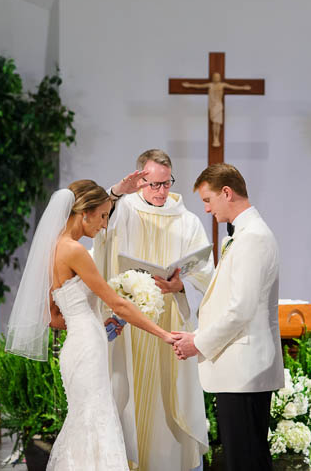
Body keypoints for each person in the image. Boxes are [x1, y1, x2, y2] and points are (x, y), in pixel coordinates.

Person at [5, 180, 175, 471]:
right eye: (103, 216)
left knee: (85, 420)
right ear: (84, 213)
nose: (105, 224)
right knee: (95, 420)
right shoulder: (74, 250)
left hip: (78, 346)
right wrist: (164, 334)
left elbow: (53, 317)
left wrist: (93, 324)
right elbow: (117, 303)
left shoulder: (52, 248)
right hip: (88, 348)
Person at [93, 149, 213, 471]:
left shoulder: (187, 221)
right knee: (129, 397)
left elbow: (205, 272)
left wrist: (180, 286)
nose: (161, 191)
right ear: (139, 180)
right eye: (153, 184)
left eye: (166, 183)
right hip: (128, 328)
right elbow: (94, 217)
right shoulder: (121, 211)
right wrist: (119, 192)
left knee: (167, 400)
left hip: (172, 323)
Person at [173, 163, 283, 471]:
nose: (206, 209)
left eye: (208, 200)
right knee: (244, 458)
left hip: (245, 371)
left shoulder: (253, 238)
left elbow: (241, 309)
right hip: (240, 370)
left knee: (246, 460)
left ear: (226, 192)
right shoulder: (243, 235)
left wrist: (198, 343)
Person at [182, 73, 251, 147]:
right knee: (214, 123)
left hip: (219, 105)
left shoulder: (222, 85)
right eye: (215, 77)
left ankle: (217, 138)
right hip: (213, 106)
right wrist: (189, 85)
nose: (216, 78)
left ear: (220, 78)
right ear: (213, 78)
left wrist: (243, 87)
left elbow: (233, 87)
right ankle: (214, 138)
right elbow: (199, 86)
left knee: (218, 123)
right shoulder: (210, 85)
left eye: (218, 77)